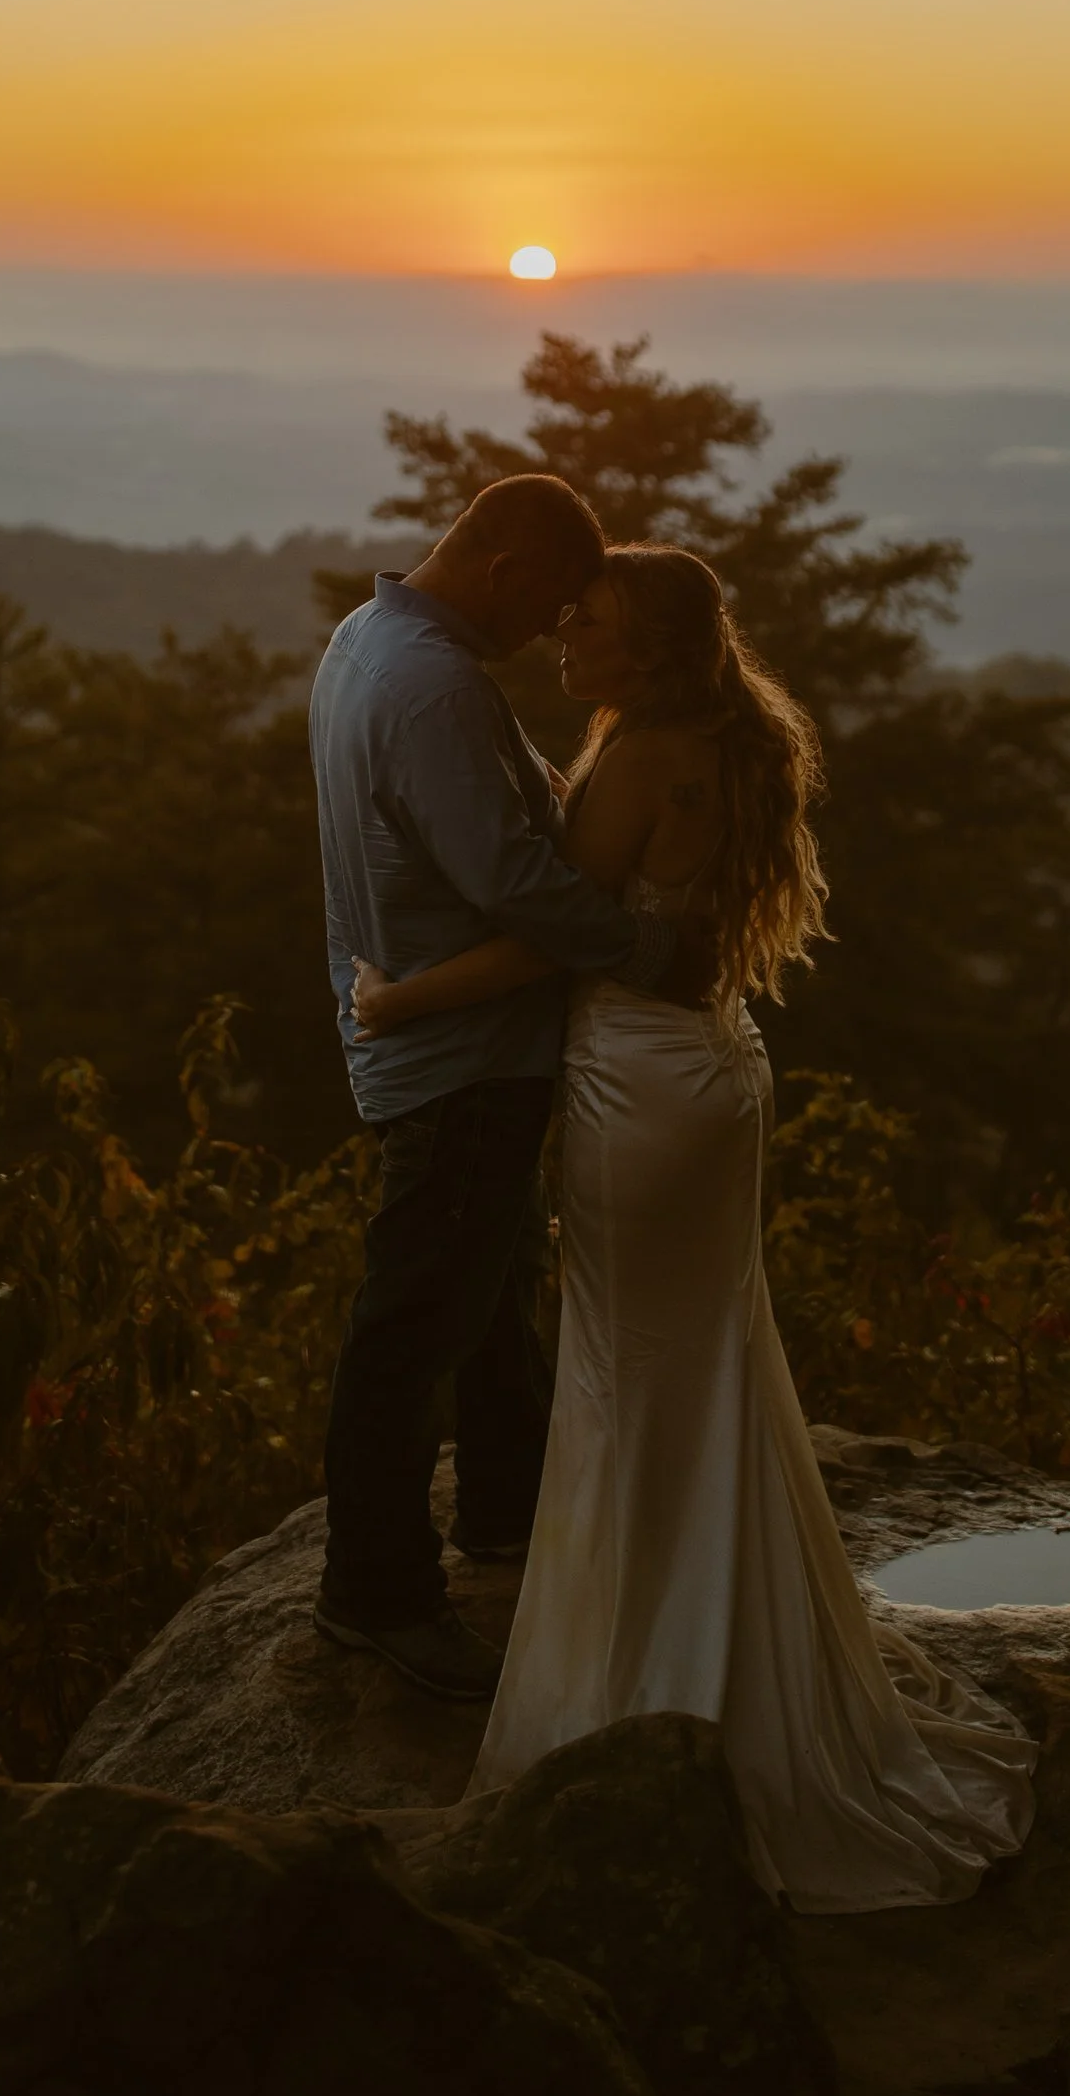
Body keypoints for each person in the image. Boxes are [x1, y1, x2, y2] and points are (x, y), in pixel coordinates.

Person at [349, 540, 1035, 1912]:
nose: (560, 631)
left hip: (643, 1084)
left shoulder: (654, 744)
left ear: (649, 647)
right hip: (707, 1066)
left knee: (634, 1368)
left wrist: (397, 1000)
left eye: (585, 618)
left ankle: (642, 1682)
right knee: (697, 1359)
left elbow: (560, 931)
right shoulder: (686, 735)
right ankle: (716, 1641)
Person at [309, 474, 704, 1702]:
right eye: (548, 607)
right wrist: (649, 949)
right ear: (503, 569)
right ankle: (375, 1595)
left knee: (489, 1296)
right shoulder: (434, 686)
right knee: (412, 1323)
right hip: (460, 1054)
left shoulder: (366, 640)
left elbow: (499, 816)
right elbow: (516, 887)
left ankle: (504, 1514)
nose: (550, 635)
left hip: (428, 1035)